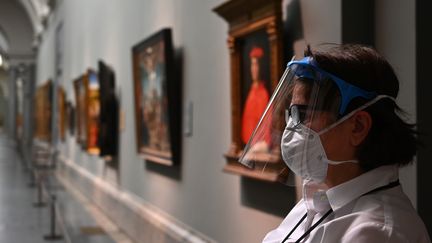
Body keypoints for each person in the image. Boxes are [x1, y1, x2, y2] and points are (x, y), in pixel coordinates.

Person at [242, 44, 430, 242]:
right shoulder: (320, 198)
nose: (291, 127)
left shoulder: (376, 233)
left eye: (304, 114)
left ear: (357, 126)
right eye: (292, 114)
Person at [241, 46, 271, 150]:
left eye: (256, 65)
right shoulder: (251, 91)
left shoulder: (263, 94)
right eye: (252, 65)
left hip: (258, 148)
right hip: (247, 146)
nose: (254, 69)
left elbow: (266, 128)